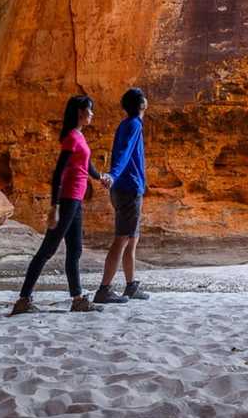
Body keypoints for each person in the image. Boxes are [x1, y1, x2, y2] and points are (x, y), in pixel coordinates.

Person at [10, 94, 112, 316]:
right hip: (67, 200)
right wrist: (54, 206)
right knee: (47, 250)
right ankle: (23, 300)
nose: (92, 114)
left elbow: (87, 165)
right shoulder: (71, 138)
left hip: (76, 200)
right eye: (89, 110)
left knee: (75, 249)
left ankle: (78, 300)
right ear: (80, 112)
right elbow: (58, 174)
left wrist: (100, 177)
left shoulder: (79, 136)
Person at [94, 87, 151, 304]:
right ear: (141, 104)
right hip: (128, 188)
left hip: (125, 187)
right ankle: (104, 289)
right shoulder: (135, 124)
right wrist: (114, 174)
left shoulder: (126, 124)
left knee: (132, 238)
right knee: (122, 239)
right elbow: (124, 153)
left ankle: (131, 286)